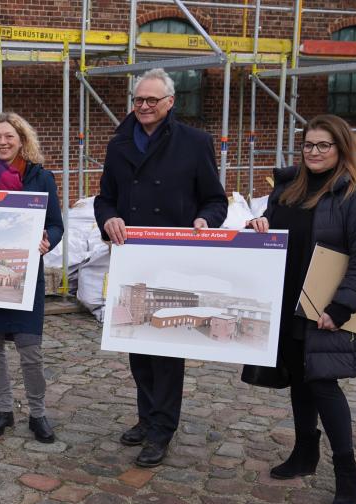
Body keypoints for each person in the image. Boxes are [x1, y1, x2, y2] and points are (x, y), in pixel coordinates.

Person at [94, 68, 227, 466]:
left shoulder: (194, 142)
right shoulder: (119, 144)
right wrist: (108, 219)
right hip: (134, 255)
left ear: (170, 102)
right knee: (136, 342)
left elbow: (214, 200)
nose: (145, 106)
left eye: (152, 100)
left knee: (166, 347)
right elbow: (105, 198)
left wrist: (206, 222)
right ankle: (146, 416)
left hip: (175, 257)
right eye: (139, 100)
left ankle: (161, 430)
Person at [247, 114, 356, 504]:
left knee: (322, 383)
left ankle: (348, 473)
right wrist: (260, 226)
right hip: (288, 302)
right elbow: (276, 238)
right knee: (299, 377)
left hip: (326, 307)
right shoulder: (286, 191)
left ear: (341, 148)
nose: (314, 152)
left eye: (324, 145)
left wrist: (341, 307)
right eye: (309, 145)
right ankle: (304, 452)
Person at [0, 112, 65, 444]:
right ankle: (4, 409)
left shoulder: (41, 178)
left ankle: (38, 413)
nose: (2, 142)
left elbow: (56, 224)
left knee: (30, 348)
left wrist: (48, 239)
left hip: (25, 275)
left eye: (9, 136)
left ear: (22, 140)